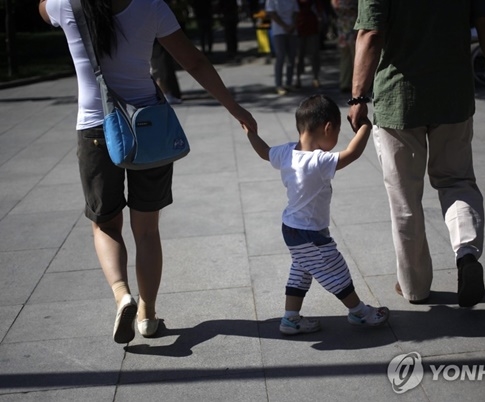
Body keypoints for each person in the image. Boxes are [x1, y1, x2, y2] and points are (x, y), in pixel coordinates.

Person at [39, 0, 257, 344]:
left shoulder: (66, 5)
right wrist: (235, 108)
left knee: (105, 223)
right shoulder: (150, 6)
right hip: (149, 128)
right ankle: (147, 314)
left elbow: (42, 9)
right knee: (147, 229)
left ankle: (122, 294)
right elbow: (194, 61)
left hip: (96, 129)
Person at [348, 1, 485, 307]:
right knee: (457, 182)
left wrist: (358, 95)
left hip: (399, 100)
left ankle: (414, 288)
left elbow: (370, 34)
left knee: (404, 198)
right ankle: (466, 254)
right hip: (453, 96)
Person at [243, 95, 389, 335]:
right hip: (310, 233)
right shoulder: (319, 160)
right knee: (336, 269)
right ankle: (360, 312)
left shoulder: (286, 152)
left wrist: (250, 133)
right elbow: (351, 153)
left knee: (301, 270)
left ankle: (290, 319)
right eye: (337, 131)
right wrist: (365, 126)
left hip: (291, 228)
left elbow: (263, 151)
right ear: (328, 127)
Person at [266, 0, 299, 95]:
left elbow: (296, 12)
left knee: (291, 57)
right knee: (280, 56)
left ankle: (289, 83)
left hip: (292, 30)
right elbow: (272, 13)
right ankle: (278, 85)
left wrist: (292, 25)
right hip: (279, 30)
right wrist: (284, 26)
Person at [331, 0, 358, 93]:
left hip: (350, 27)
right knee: (349, 57)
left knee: (353, 57)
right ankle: (346, 83)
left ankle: (351, 83)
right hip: (347, 28)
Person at [295, 0, 323, 89]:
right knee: (299, 56)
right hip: (299, 28)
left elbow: (320, 10)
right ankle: (297, 78)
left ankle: (315, 78)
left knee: (314, 54)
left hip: (313, 27)